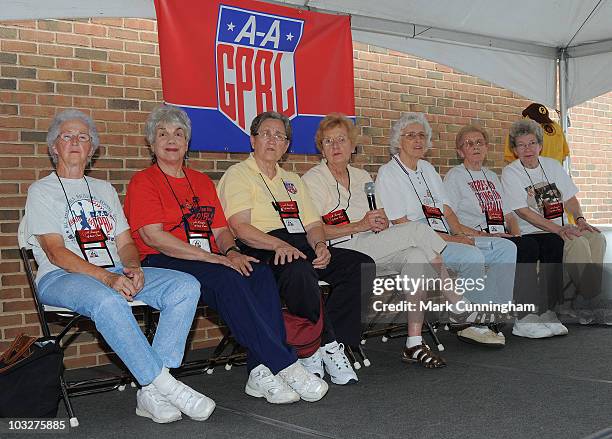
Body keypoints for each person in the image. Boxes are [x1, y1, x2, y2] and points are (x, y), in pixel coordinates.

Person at [124, 105, 327, 404]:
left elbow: (220, 231)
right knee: (227, 280)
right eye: (163, 133)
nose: (171, 139)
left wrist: (231, 252)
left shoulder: (202, 181)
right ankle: (284, 363)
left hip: (207, 259)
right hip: (162, 259)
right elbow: (154, 237)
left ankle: (259, 370)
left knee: (257, 272)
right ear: (151, 143)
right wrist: (213, 258)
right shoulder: (144, 181)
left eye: (178, 134)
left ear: (187, 142)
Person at [23, 109, 214, 424]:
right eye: (67, 136)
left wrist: (132, 266)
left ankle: (151, 394)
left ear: (92, 149)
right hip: (62, 277)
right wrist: (107, 278)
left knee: (185, 286)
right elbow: (56, 252)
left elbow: (126, 243)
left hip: (113, 269)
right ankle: (167, 385)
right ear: (53, 147)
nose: (75, 142)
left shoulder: (104, 190)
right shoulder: (41, 191)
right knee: (108, 299)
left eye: (83, 137)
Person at [217, 111, 375, 385]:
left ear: (286, 146)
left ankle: (326, 342)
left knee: (360, 266)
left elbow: (313, 223)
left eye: (280, 136)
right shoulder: (239, 174)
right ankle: (321, 344)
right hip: (261, 244)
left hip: (300, 241)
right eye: (266, 133)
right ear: (252, 140)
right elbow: (240, 227)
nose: (272, 140)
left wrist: (321, 245)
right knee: (299, 270)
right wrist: (278, 244)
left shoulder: (292, 180)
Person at [303, 113, 467, 367]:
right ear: (321, 148)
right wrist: (360, 225)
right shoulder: (313, 180)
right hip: (343, 251)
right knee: (415, 230)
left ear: (352, 146)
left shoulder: (362, 178)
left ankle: (413, 343)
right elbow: (314, 229)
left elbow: (380, 219)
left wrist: (381, 223)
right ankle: (454, 297)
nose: (335, 147)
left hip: (372, 244)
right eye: (328, 142)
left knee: (415, 256)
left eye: (341, 140)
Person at [376, 112, 518, 347]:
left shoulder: (427, 168)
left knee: (505, 248)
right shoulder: (388, 173)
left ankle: (491, 313)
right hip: (417, 239)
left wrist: (463, 234)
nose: (418, 140)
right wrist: (456, 241)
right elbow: (402, 225)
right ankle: (469, 323)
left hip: (446, 233)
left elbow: (448, 212)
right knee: (471, 255)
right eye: (410, 135)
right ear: (397, 141)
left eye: (422, 135)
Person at [444, 124, 567, 338]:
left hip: (500, 235)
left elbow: (509, 215)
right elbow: (449, 217)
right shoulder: (455, 177)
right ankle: (523, 318)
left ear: (487, 147)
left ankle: (546, 311)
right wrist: (483, 235)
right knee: (525, 247)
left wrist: (516, 233)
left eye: (479, 143)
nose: (475, 147)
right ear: (459, 151)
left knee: (547, 242)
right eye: (469, 144)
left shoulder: (492, 176)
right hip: (475, 237)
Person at [501, 119, 607, 323]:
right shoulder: (511, 172)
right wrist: (559, 230)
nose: (528, 149)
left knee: (596, 238)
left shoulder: (552, 165)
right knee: (578, 243)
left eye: (532, 143)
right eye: (521, 145)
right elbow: (523, 212)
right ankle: (589, 303)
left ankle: (586, 298)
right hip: (534, 232)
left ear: (540, 145)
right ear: (515, 150)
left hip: (560, 227)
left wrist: (580, 220)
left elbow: (569, 198)